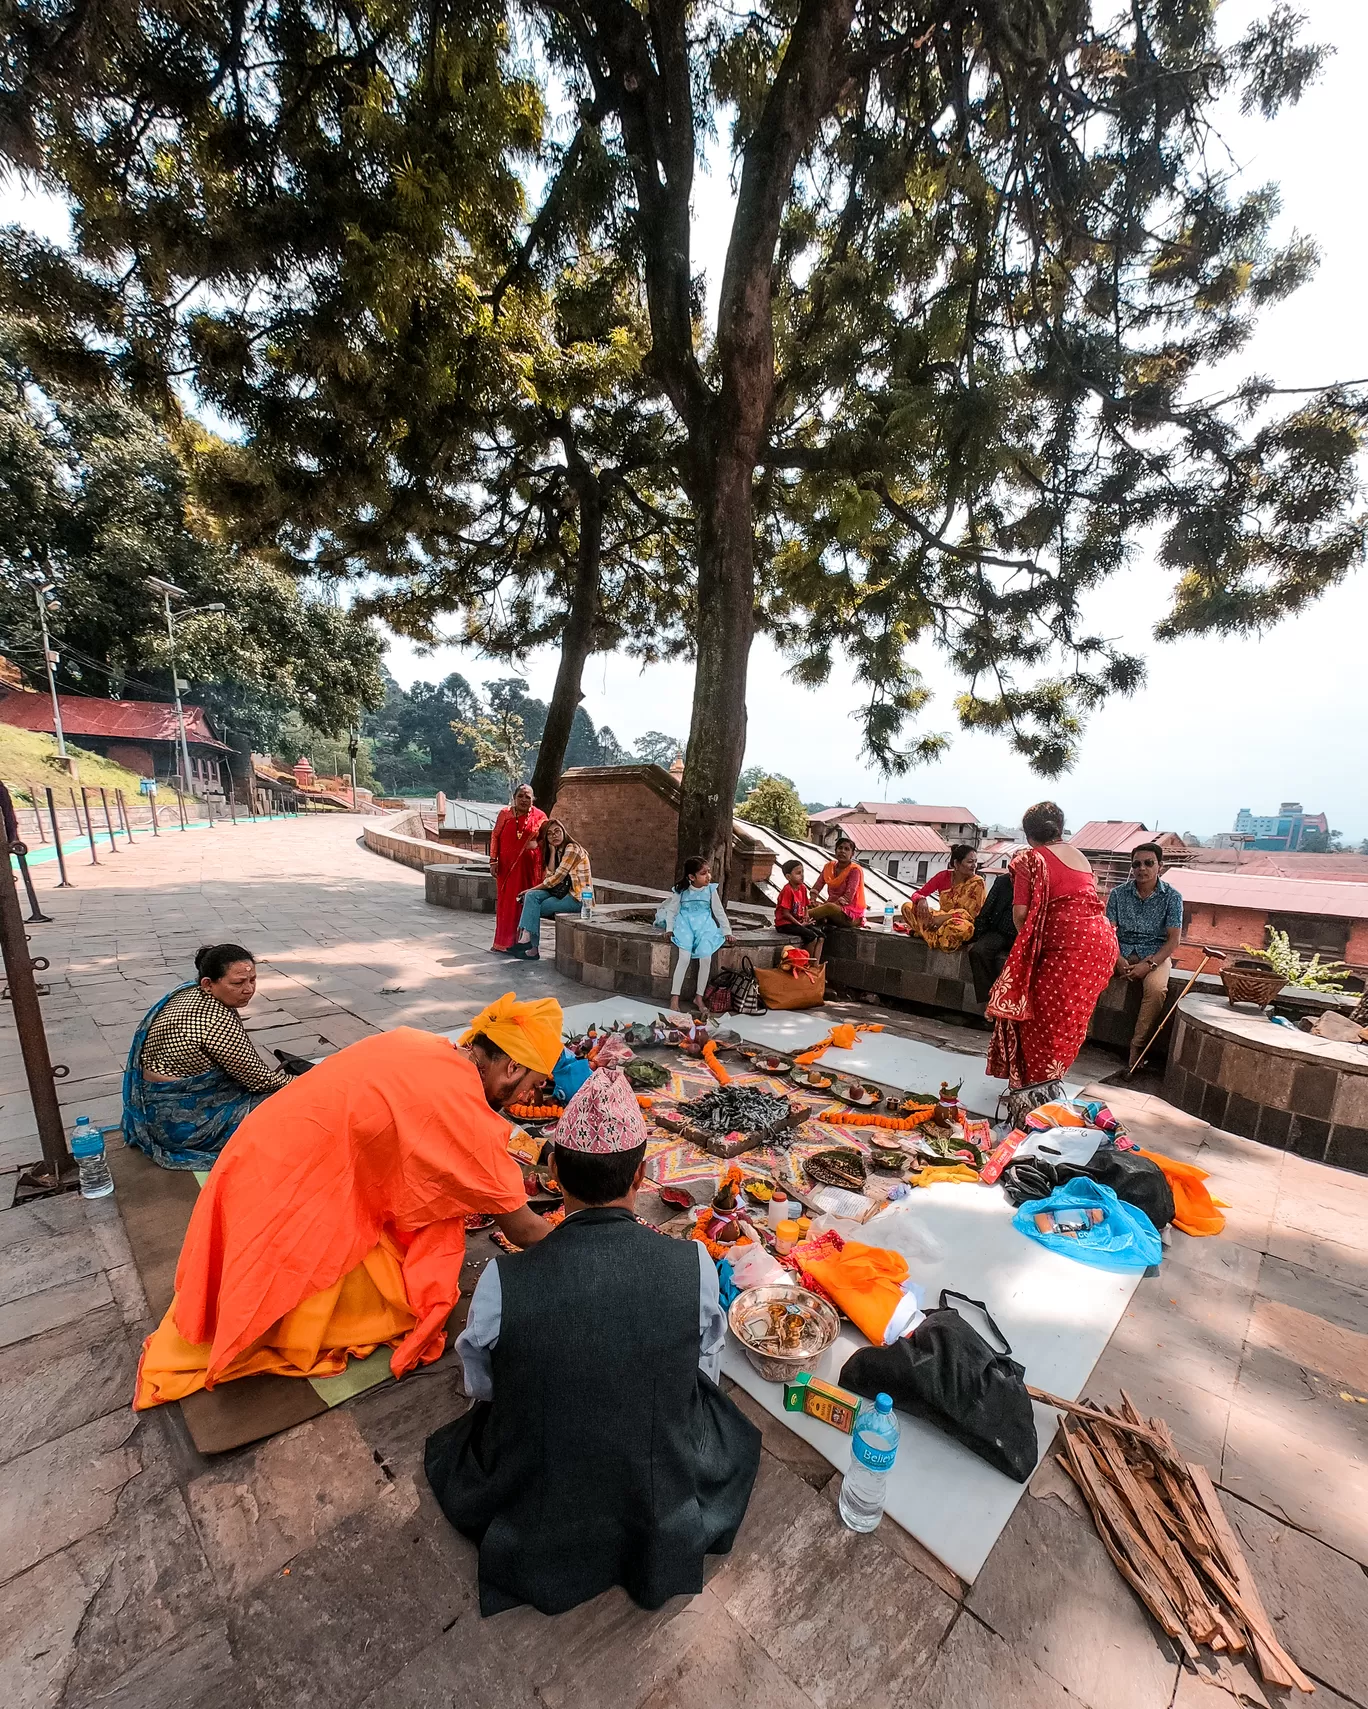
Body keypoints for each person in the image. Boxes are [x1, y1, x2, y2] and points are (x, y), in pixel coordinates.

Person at [425, 1066, 762, 1617]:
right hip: (656, 1470)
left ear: (553, 1171)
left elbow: (481, 1384)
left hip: (542, 1474)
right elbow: (701, 1367)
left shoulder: (501, 1282)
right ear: (643, 1176)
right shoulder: (692, 1265)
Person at [133, 993, 563, 1410]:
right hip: (281, 1188)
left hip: (256, 1150)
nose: (529, 1098)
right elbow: (523, 1228)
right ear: (511, 1066)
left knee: (426, 1218)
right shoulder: (463, 1111)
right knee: (372, 1296)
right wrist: (596, 1245)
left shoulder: (418, 1041)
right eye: (533, 1084)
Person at [986, 801, 1119, 1108]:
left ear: (1028, 833)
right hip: (1100, 947)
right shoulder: (1081, 857)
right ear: (1060, 827)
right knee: (1065, 1024)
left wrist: (1028, 945)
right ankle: (1044, 1093)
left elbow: (1020, 916)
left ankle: (1031, 1099)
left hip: (1067, 947)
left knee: (1038, 1021)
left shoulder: (1030, 859)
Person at [123, 944, 296, 1170]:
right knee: (293, 1108)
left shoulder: (186, 992)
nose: (248, 989)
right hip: (186, 1125)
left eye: (252, 980)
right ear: (208, 983)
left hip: (153, 1112)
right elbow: (261, 1081)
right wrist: (309, 1082)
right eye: (238, 983)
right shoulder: (215, 1022)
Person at [1106, 842, 1185, 1068]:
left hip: (1155, 953)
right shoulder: (1118, 894)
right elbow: (1109, 932)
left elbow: (1173, 940)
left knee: (1157, 989)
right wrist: (1117, 958)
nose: (1142, 868)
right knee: (1087, 974)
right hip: (1120, 950)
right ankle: (1080, 1034)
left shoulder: (1172, 897)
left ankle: (1137, 1047)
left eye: (1149, 863)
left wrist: (1148, 965)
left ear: (1160, 866)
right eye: (1137, 864)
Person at [508, 819, 592, 961]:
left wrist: (530, 889)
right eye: (550, 834)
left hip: (578, 899)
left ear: (564, 832)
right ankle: (528, 942)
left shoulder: (572, 849)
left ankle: (530, 946)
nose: (554, 836)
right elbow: (550, 876)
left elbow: (556, 879)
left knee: (532, 904)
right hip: (562, 893)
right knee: (532, 897)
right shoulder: (558, 850)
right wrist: (552, 852)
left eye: (557, 831)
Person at [662, 856, 735, 1011]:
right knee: (684, 957)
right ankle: (675, 998)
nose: (708, 876)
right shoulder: (681, 890)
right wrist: (669, 928)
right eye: (703, 873)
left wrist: (727, 931)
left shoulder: (710, 890)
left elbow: (719, 911)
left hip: (705, 926)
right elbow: (672, 911)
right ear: (691, 877)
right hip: (685, 925)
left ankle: (699, 997)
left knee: (706, 957)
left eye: (708, 872)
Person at [489, 784, 546, 952]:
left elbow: (546, 840)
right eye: (520, 796)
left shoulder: (540, 816)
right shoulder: (505, 814)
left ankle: (523, 945)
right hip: (506, 869)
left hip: (529, 870)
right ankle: (503, 943)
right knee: (507, 905)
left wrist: (537, 846)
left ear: (533, 799)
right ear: (514, 798)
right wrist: (493, 860)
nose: (523, 800)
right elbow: (495, 836)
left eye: (528, 797)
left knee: (525, 904)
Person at [900, 844, 985, 950]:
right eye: (970, 862)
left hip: (959, 921)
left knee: (960, 928)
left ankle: (925, 935)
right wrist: (921, 899)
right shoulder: (943, 877)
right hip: (938, 920)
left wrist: (944, 918)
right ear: (956, 864)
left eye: (975, 861)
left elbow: (972, 915)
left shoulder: (978, 882)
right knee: (907, 907)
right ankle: (938, 938)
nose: (974, 866)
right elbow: (917, 894)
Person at [968, 873, 1018, 1007]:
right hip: (999, 931)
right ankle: (988, 1001)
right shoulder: (1003, 881)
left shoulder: (1038, 883)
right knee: (978, 951)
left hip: (1022, 934)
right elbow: (987, 908)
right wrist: (977, 936)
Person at [810, 835, 867, 926]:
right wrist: (812, 900)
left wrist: (824, 906)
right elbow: (817, 886)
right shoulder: (829, 867)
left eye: (846, 849)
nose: (842, 851)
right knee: (808, 904)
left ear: (852, 854)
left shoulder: (854, 870)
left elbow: (847, 897)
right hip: (832, 908)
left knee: (829, 907)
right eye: (840, 848)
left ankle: (800, 916)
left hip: (849, 914)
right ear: (835, 851)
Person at [774, 858, 823, 951]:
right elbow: (786, 913)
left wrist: (806, 916)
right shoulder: (787, 890)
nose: (802, 876)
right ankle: (806, 962)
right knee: (811, 937)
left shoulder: (803, 888)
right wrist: (800, 925)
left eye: (802, 872)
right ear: (788, 877)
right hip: (785, 924)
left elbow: (805, 906)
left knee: (821, 936)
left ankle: (815, 964)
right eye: (798, 873)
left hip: (798, 922)